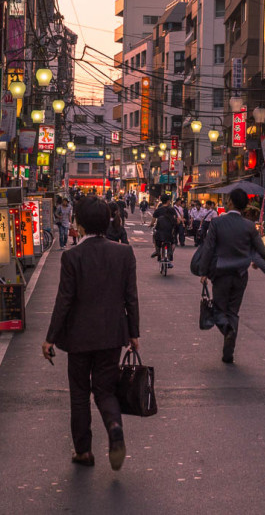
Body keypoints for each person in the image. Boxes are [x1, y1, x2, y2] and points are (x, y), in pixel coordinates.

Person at [42, 197, 140, 471]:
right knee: (105, 389)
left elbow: (65, 300)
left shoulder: (72, 256)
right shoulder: (124, 253)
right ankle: (114, 425)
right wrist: (133, 333)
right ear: (108, 220)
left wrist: (50, 337)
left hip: (78, 336)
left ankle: (83, 451)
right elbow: (131, 297)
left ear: (80, 223)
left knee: (79, 393)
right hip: (112, 333)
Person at [198, 188, 265, 364]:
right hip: (240, 275)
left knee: (219, 310)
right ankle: (228, 351)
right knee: (233, 311)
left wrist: (203, 272)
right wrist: (254, 260)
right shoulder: (249, 226)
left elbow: (208, 249)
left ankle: (227, 329)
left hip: (221, 273)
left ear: (230, 202)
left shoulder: (217, 223)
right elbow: (263, 251)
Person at [150, 194, 177, 267]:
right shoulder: (172, 209)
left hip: (160, 232)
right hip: (169, 232)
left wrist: (151, 225)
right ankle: (170, 256)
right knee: (173, 243)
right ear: (168, 201)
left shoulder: (158, 210)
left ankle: (157, 251)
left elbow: (153, 221)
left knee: (155, 238)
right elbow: (176, 219)